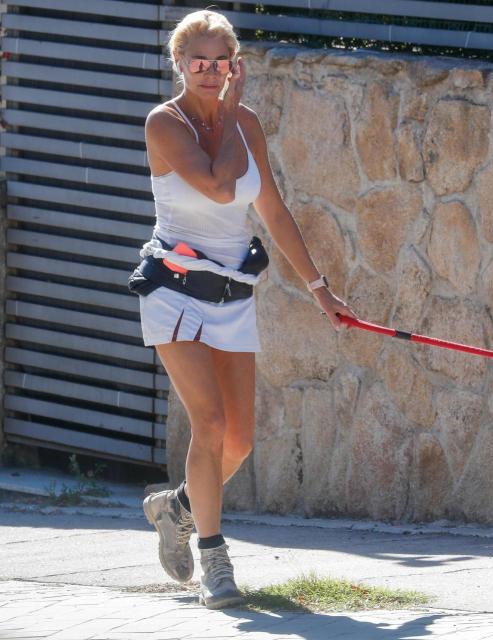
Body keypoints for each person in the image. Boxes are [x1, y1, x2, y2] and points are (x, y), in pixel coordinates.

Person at [136, 9, 355, 609]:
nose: (209, 73)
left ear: (235, 65)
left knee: (239, 441)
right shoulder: (165, 123)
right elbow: (216, 185)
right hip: (174, 289)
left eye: (220, 63)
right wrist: (227, 112)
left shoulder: (248, 122)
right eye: (198, 62)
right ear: (180, 63)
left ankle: (176, 508)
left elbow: (272, 211)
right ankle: (214, 560)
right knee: (207, 425)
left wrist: (320, 289)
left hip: (231, 294)